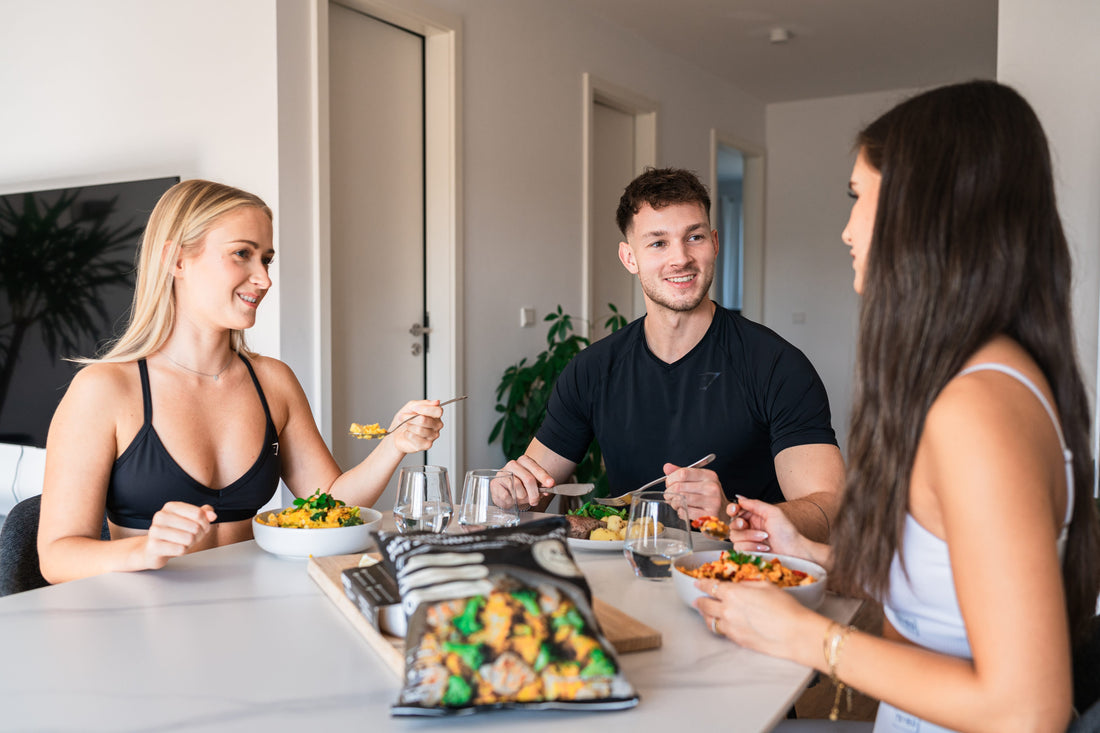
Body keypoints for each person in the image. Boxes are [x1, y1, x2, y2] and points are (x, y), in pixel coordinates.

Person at [695, 80, 1100, 732]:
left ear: (926, 210)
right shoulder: (988, 374)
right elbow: (951, 586)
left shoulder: (977, 410)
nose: (847, 230)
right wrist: (808, 550)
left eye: (859, 198)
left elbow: (1029, 710)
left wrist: (806, 637)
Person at [38, 180, 444, 583]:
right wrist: (144, 549)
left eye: (266, 259)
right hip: (149, 624)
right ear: (176, 260)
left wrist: (395, 445)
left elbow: (332, 506)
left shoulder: (272, 381)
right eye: (241, 255)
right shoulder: (104, 389)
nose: (264, 279)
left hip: (251, 611)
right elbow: (57, 558)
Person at [505, 167, 845, 545]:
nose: (680, 258)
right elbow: (536, 488)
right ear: (629, 257)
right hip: (629, 572)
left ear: (714, 242)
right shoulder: (592, 369)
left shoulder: (777, 366)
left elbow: (827, 509)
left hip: (741, 577)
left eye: (694, 237)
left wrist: (732, 514)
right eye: (658, 243)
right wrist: (516, 490)